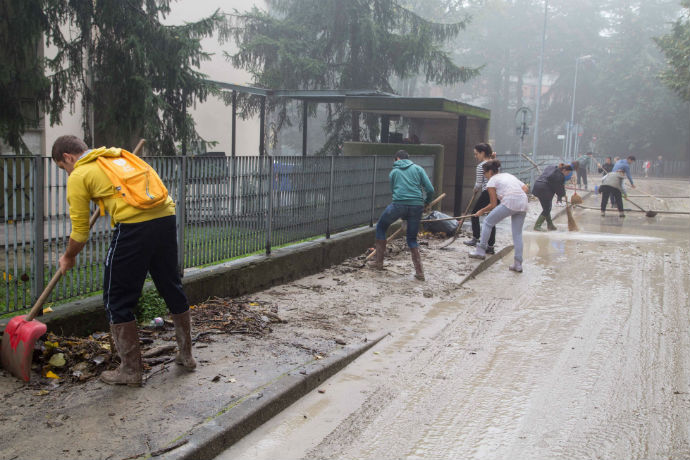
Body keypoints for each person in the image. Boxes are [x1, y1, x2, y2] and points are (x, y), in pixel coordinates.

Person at [51, 135, 196, 386]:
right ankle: (187, 355)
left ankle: (130, 371)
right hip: (165, 216)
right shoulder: (117, 156)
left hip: (134, 225)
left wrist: (68, 256)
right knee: (170, 284)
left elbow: (80, 232)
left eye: (63, 168)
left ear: (68, 157)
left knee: (115, 296)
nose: (67, 172)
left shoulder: (79, 174)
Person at [374, 149, 434, 281]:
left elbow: (395, 193)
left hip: (398, 206)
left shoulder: (393, 172)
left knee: (381, 227)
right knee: (412, 239)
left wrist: (403, 214)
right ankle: (420, 273)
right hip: (417, 206)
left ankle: (378, 263)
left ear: (397, 159)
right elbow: (430, 189)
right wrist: (426, 203)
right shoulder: (418, 169)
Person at [469, 160, 529, 273]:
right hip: (523, 203)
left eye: (485, 173)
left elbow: (493, 204)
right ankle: (518, 264)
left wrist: (481, 211)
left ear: (490, 172)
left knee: (487, 222)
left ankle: (480, 251)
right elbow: (525, 188)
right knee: (517, 233)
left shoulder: (491, 181)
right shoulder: (508, 175)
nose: (484, 176)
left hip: (510, 202)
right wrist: (515, 195)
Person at [464, 143, 497, 254]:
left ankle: (475, 237)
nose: (475, 156)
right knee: (492, 218)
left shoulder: (481, 166)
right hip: (496, 193)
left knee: (474, 214)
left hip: (487, 192)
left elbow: (478, 183)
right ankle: (490, 246)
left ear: (482, 153)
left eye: (476, 154)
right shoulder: (494, 163)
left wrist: (475, 190)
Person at [532, 163, 573, 231]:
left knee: (546, 208)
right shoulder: (560, 176)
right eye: (568, 172)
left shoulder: (551, 167)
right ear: (564, 170)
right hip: (544, 189)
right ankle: (537, 226)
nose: (568, 174)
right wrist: (563, 194)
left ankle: (550, 225)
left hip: (537, 186)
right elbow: (559, 190)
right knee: (547, 209)